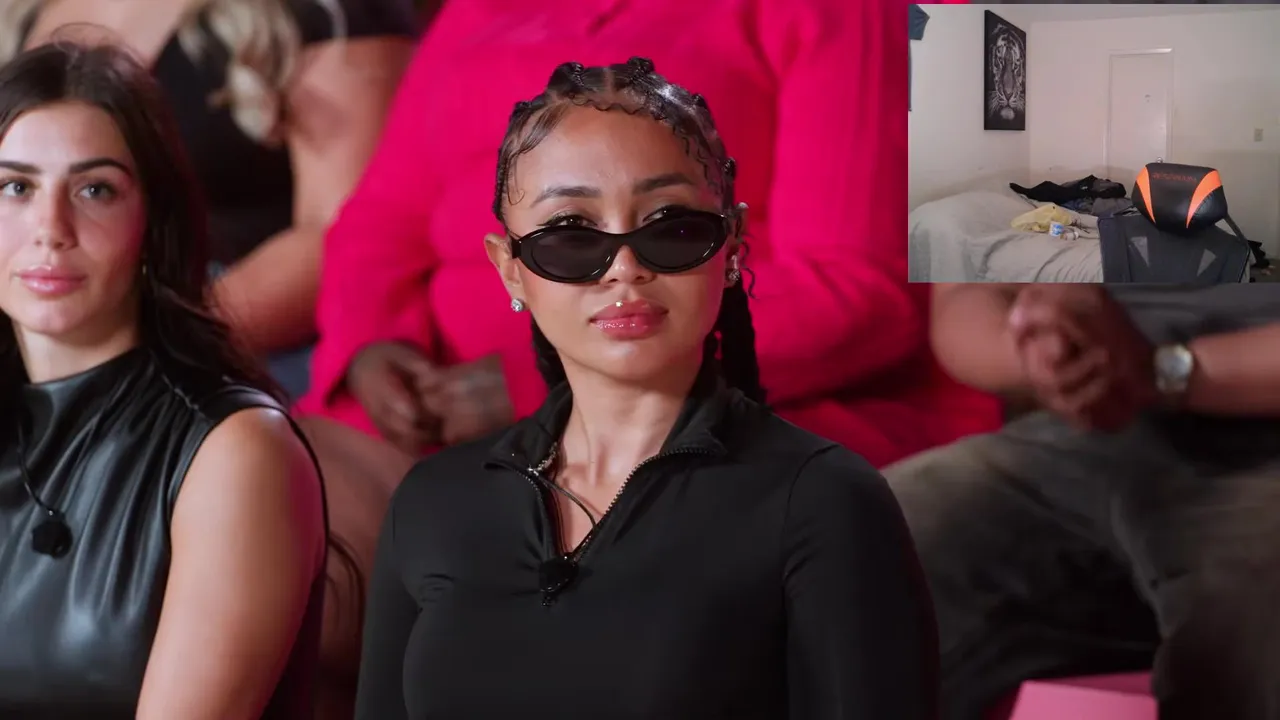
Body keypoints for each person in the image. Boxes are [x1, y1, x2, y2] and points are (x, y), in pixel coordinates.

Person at [352, 57, 939, 720]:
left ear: (731, 246)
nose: (624, 267)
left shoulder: (824, 502)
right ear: (510, 269)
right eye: (571, 235)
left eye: (672, 226)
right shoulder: (432, 502)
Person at [0, 43, 326, 718]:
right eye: (15, 188)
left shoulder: (236, 450)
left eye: (95, 190)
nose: (50, 230)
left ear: (153, 223)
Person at [886, 282, 1280, 720]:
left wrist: (1158, 371)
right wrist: (1046, 353)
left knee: (1244, 640)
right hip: (1084, 431)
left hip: (1261, 437)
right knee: (859, 557)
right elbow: (963, 295)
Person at [0, 0, 418, 399]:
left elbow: (343, 233)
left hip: (243, 343)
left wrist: (157, 339)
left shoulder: (328, 12)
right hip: (59, 326)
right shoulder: (19, 12)